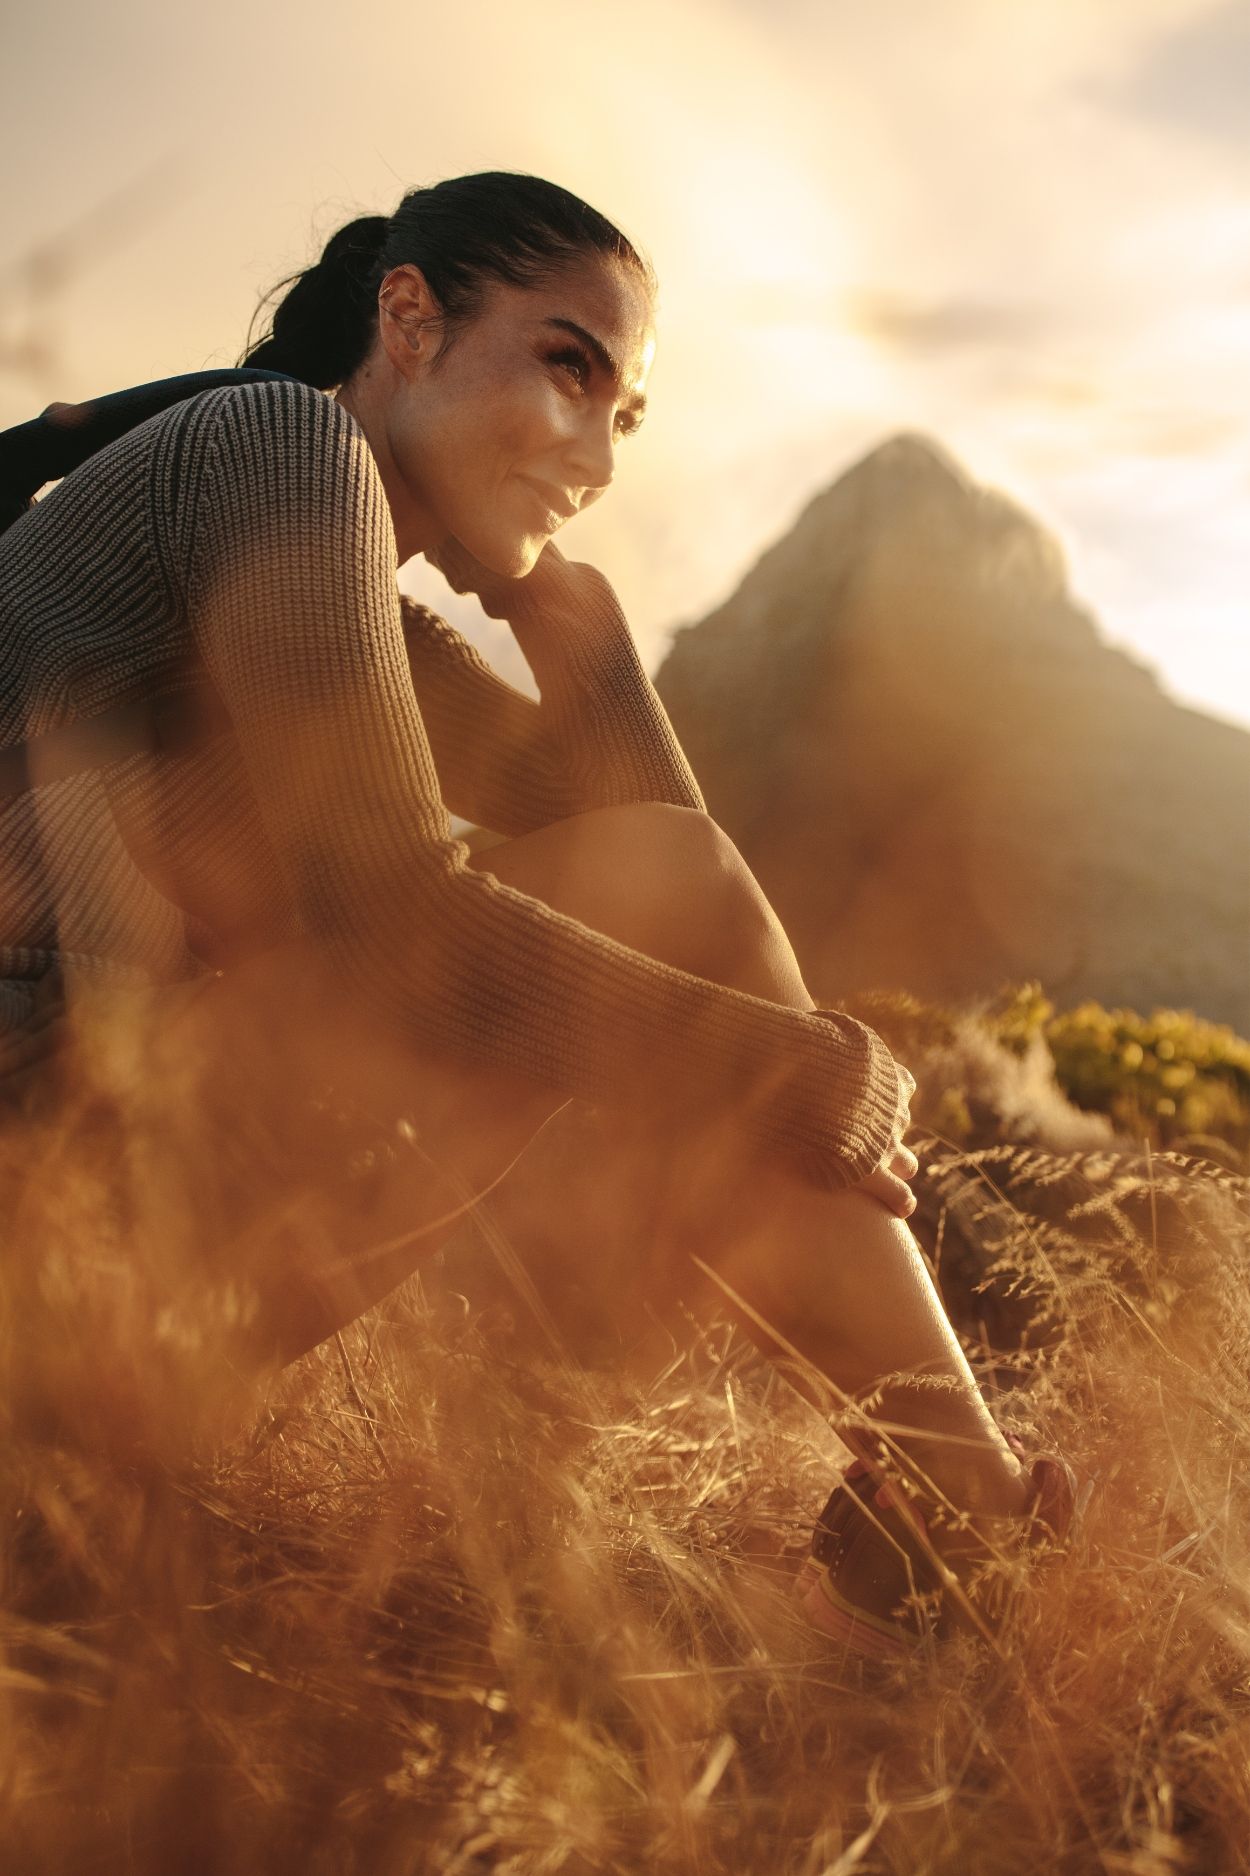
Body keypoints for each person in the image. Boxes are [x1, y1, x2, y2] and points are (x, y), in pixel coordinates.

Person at [0, 171, 1069, 1657]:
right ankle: (949, 1511)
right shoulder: (276, 441)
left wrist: (601, 675)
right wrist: (783, 1070)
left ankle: (921, 1516)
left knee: (642, 949)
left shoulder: (351, 603)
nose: (598, 453)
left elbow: (650, 860)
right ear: (410, 319)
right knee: (639, 973)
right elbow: (401, 922)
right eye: (569, 366)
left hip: (109, 1275)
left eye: (624, 414)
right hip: (47, 1223)